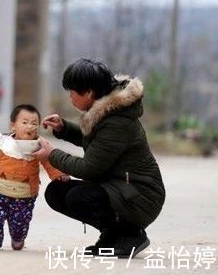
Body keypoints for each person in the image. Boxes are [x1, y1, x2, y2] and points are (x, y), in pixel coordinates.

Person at [32, 58, 166, 258]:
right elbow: (97, 143)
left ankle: (130, 235)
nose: (69, 97)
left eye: (72, 91)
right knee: (57, 192)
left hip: (139, 196)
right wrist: (63, 128)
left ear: (89, 93)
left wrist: (52, 154)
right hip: (121, 188)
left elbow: (89, 168)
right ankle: (113, 234)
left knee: (78, 198)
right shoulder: (107, 112)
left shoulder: (117, 122)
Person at [0, 104, 69, 251]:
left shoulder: (40, 145)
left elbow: (50, 161)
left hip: (24, 194)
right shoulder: (0, 143)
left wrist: (59, 174)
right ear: (13, 125)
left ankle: (18, 237)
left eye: (34, 123)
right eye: (24, 123)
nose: (29, 127)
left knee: (20, 220)